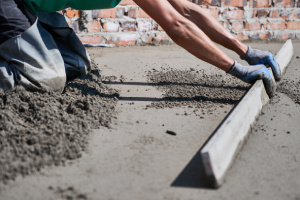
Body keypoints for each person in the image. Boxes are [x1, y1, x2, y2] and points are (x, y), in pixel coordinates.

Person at [0, 0, 280, 97]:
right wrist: (236, 69)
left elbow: (186, 12)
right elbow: (176, 26)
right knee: (47, 76)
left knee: (76, 63)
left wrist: (245, 52)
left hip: (31, 7)